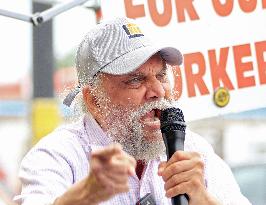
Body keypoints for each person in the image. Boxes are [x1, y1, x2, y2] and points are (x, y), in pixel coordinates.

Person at [15, 17, 251, 205]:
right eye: (135, 80)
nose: (158, 91)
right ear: (95, 100)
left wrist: (203, 200)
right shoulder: (58, 155)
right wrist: (85, 195)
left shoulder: (194, 150)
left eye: (161, 76)